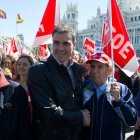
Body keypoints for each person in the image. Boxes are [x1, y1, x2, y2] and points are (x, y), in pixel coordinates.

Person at [27, 24, 90, 140]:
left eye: (66, 44)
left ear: (74, 45)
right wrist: (81, 117)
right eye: (56, 43)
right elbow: (48, 112)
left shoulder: (79, 70)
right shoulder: (38, 70)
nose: (60, 48)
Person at [80, 53, 137, 140]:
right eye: (92, 66)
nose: (94, 71)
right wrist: (80, 115)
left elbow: (131, 120)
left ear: (109, 70)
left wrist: (119, 101)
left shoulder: (122, 90)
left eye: (100, 66)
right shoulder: (83, 88)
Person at [0, 51, 31, 140]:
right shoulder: (14, 84)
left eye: (25, 64)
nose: (21, 67)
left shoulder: (17, 90)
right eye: (19, 64)